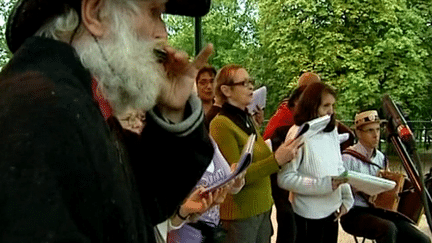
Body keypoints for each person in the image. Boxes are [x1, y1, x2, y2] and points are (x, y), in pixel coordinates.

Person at [0, 0, 215, 242]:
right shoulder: (39, 112)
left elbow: (142, 203)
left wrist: (173, 111)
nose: (162, 33)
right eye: (154, 12)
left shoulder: (75, 102)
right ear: (95, 14)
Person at [210, 64, 303, 243]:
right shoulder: (220, 124)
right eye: (244, 83)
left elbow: (255, 157)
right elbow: (235, 177)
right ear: (226, 90)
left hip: (261, 210)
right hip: (241, 216)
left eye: (250, 82)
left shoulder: (246, 119)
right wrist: (277, 159)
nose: (251, 86)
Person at [277, 82, 354, 243]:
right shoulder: (298, 133)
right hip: (307, 215)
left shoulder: (331, 130)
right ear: (312, 106)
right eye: (326, 105)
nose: (330, 111)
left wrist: (346, 195)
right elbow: (285, 178)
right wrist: (324, 185)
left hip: (332, 211)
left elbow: (338, 166)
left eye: (332, 105)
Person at [340, 110, 431, 243]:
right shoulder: (347, 158)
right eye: (370, 130)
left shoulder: (380, 158)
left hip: (380, 212)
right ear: (358, 133)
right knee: (388, 229)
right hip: (354, 213)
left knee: (422, 239)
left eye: (377, 129)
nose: (376, 135)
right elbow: (339, 190)